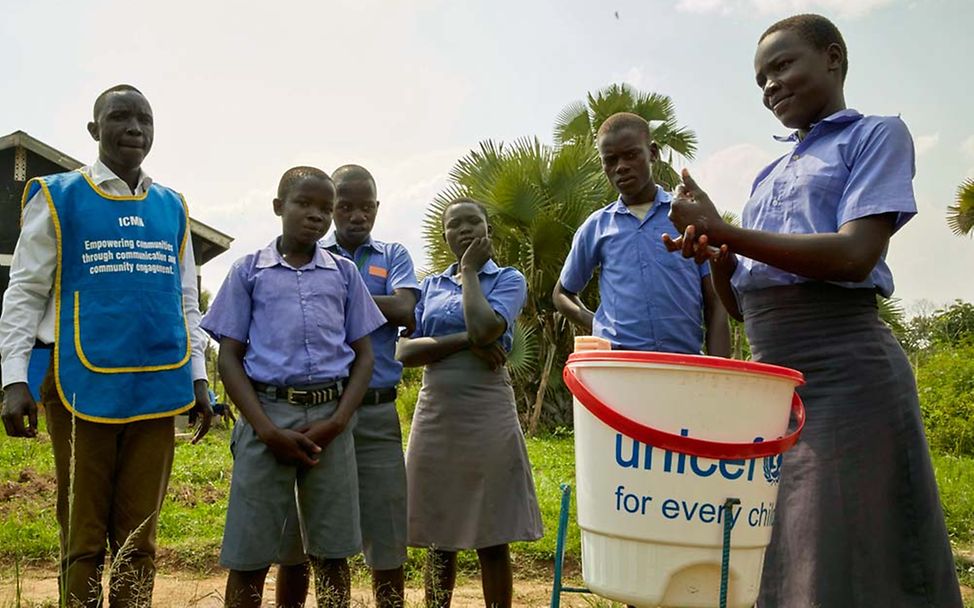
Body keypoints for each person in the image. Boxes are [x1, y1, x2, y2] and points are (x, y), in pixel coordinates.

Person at [665, 14, 962, 607]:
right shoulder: (767, 174)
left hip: (850, 378)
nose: (770, 86)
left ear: (833, 57)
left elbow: (855, 254)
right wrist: (720, 254)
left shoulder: (875, 136)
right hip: (782, 394)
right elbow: (745, 309)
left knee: (854, 559)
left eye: (781, 66)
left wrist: (726, 230)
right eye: (759, 81)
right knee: (792, 559)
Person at [0, 84, 212, 607]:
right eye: (119, 117)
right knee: (85, 536)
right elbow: (25, 292)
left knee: (140, 536)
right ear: (94, 130)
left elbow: (186, 300)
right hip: (79, 384)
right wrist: (12, 379)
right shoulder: (58, 197)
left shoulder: (172, 207)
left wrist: (201, 378)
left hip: (158, 386)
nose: (134, 128)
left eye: (145, 119)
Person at [201, 166, 386, 608]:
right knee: (250, 555)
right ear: (278, 207)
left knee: (333, 552)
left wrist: (340, 420)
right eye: (304, 204)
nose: (316, 216)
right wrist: (264, 429)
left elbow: (365, 354)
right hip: (267, 416)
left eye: (325, 208)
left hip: (330, 420)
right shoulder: (249, 272)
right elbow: (229, 357)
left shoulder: (343, 274)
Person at [275, 164, 419, 608]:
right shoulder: (311, 255)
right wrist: (367, 302)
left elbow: (406, 310)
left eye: (367, 206)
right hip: (319, 411)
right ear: (332, 208)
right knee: (301, 536)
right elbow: (388, 308)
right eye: (347, 206)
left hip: (376, 413)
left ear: (377, 208)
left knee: (387, 531)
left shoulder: (393, 254)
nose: (358, 215)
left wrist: (335, 294)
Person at [396, 197, 543, 608]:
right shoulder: (429, 286)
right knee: (438, 533)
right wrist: (465, 342)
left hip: (487, 409)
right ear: (444, 235)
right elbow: (406, 353)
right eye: (454, 224)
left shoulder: (509, 279)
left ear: (487, 230)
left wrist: (468, 273)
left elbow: (486, 326)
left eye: (472, 222)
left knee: (491, 533)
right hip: (437, 410)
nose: (464, 230)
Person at [553, 112, 729, 357]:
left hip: (683, 364)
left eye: (631, 155)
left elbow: (716, 301)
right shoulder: (598, 226)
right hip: (620, 366)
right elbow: (562, 293)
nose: (621, 167)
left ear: (653, 153)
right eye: (610, 160)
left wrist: (717, 372)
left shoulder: (687, 218)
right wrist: (597, 324)